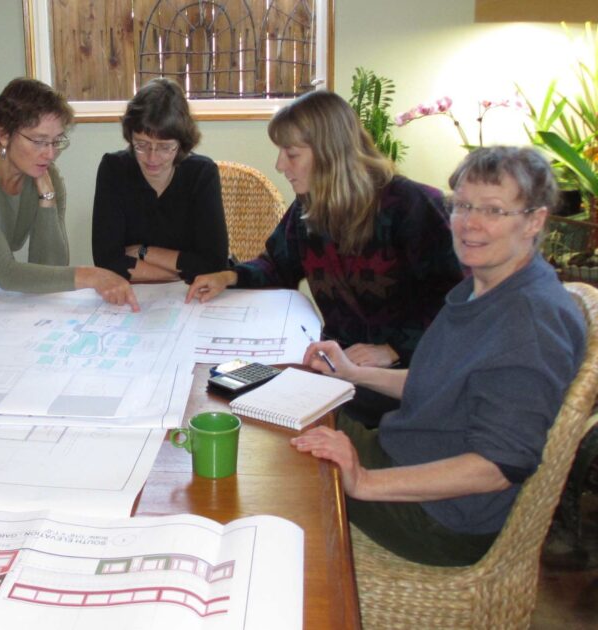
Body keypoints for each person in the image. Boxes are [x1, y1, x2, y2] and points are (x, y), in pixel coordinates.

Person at [292, 146, 586, 566]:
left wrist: (364, 481)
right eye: (462, 205)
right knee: (289, 416)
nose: (470, 224)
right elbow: (442, 383)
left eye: (493, 210)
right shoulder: (484, 285)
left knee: (285, 468)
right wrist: (353, 373)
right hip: (405, 453)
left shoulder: (531, 324)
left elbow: (497, 466)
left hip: (441, 517)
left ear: (534, 220)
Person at [186, 90, 464, 424]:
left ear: (331, 153)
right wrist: (230, 276)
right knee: (236, 398)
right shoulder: (310, 206)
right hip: (336, 360)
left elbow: (458, 299)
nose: (280, 165)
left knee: (284, 422)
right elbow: (277, 265)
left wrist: (393, 349)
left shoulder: (411, 206)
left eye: (292, 154)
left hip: (406, 375)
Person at [0, 77, 139, 322]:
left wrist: (47, 199)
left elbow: (50, 267)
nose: (50, 153)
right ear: (4, 134)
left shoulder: (46, 176)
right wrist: (92, 275)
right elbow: (6, 272)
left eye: (57, 141)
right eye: (39, 141)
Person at [92, 78, 228, 282]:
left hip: (191, 295)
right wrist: (180, 273)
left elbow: (214, 264)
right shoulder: (114, 169)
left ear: (181, 143)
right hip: (136, 294)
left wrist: (143, 251)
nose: (152, 158)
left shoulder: (202, 174)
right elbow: (106, 262)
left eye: (165, 147)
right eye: (142, 144)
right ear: (130, 137)